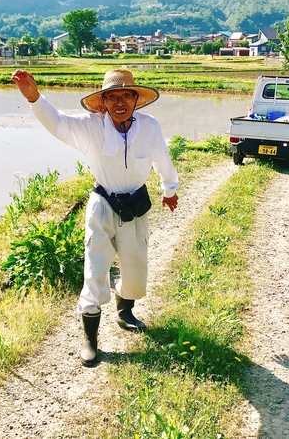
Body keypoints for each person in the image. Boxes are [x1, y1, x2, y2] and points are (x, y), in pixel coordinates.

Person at [12, 69, 179, 367]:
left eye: (126, 95)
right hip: (103, 206)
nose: (119, 102)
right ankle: (90, 339)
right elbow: (58, 122)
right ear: (102, 101)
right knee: (95, 269)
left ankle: (124, 310)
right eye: (112, 96)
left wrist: (169, 189)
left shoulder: (150, 127)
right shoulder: (90, 127)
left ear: (136, 100)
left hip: (136, 207)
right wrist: (34, 97)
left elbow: (161, 159)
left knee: (136, 267)